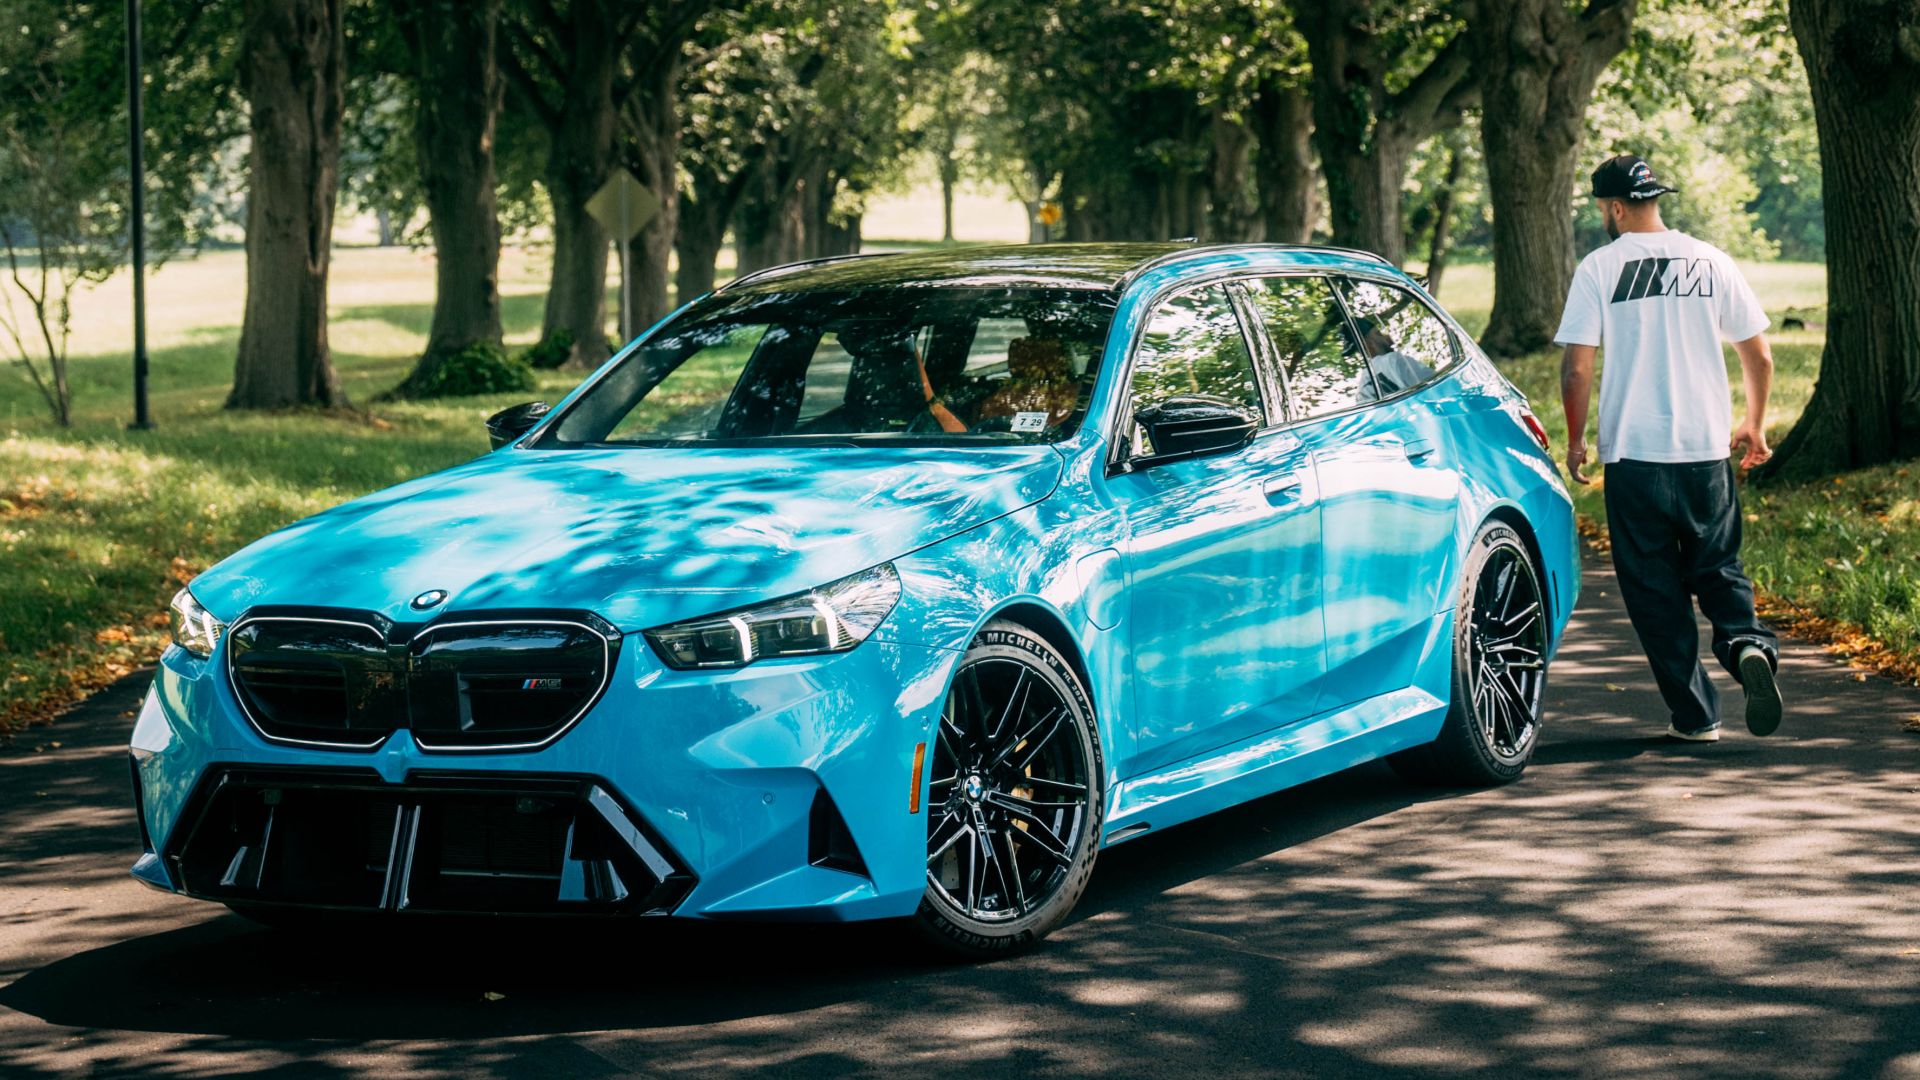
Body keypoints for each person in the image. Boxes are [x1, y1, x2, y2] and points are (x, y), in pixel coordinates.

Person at [1555, 153, 1784, 743]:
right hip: (1706, 451)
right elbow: (1758, 354)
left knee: (1655, 592)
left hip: (1635, 455)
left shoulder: (1599, 268)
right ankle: (1747, 646)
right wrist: (1753, 426)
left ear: (1612, 208)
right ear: (1654, 198)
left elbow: (1577, 368)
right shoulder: (1711, 260)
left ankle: (1697, 715)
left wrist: (1577, 440)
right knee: (1718, 565)